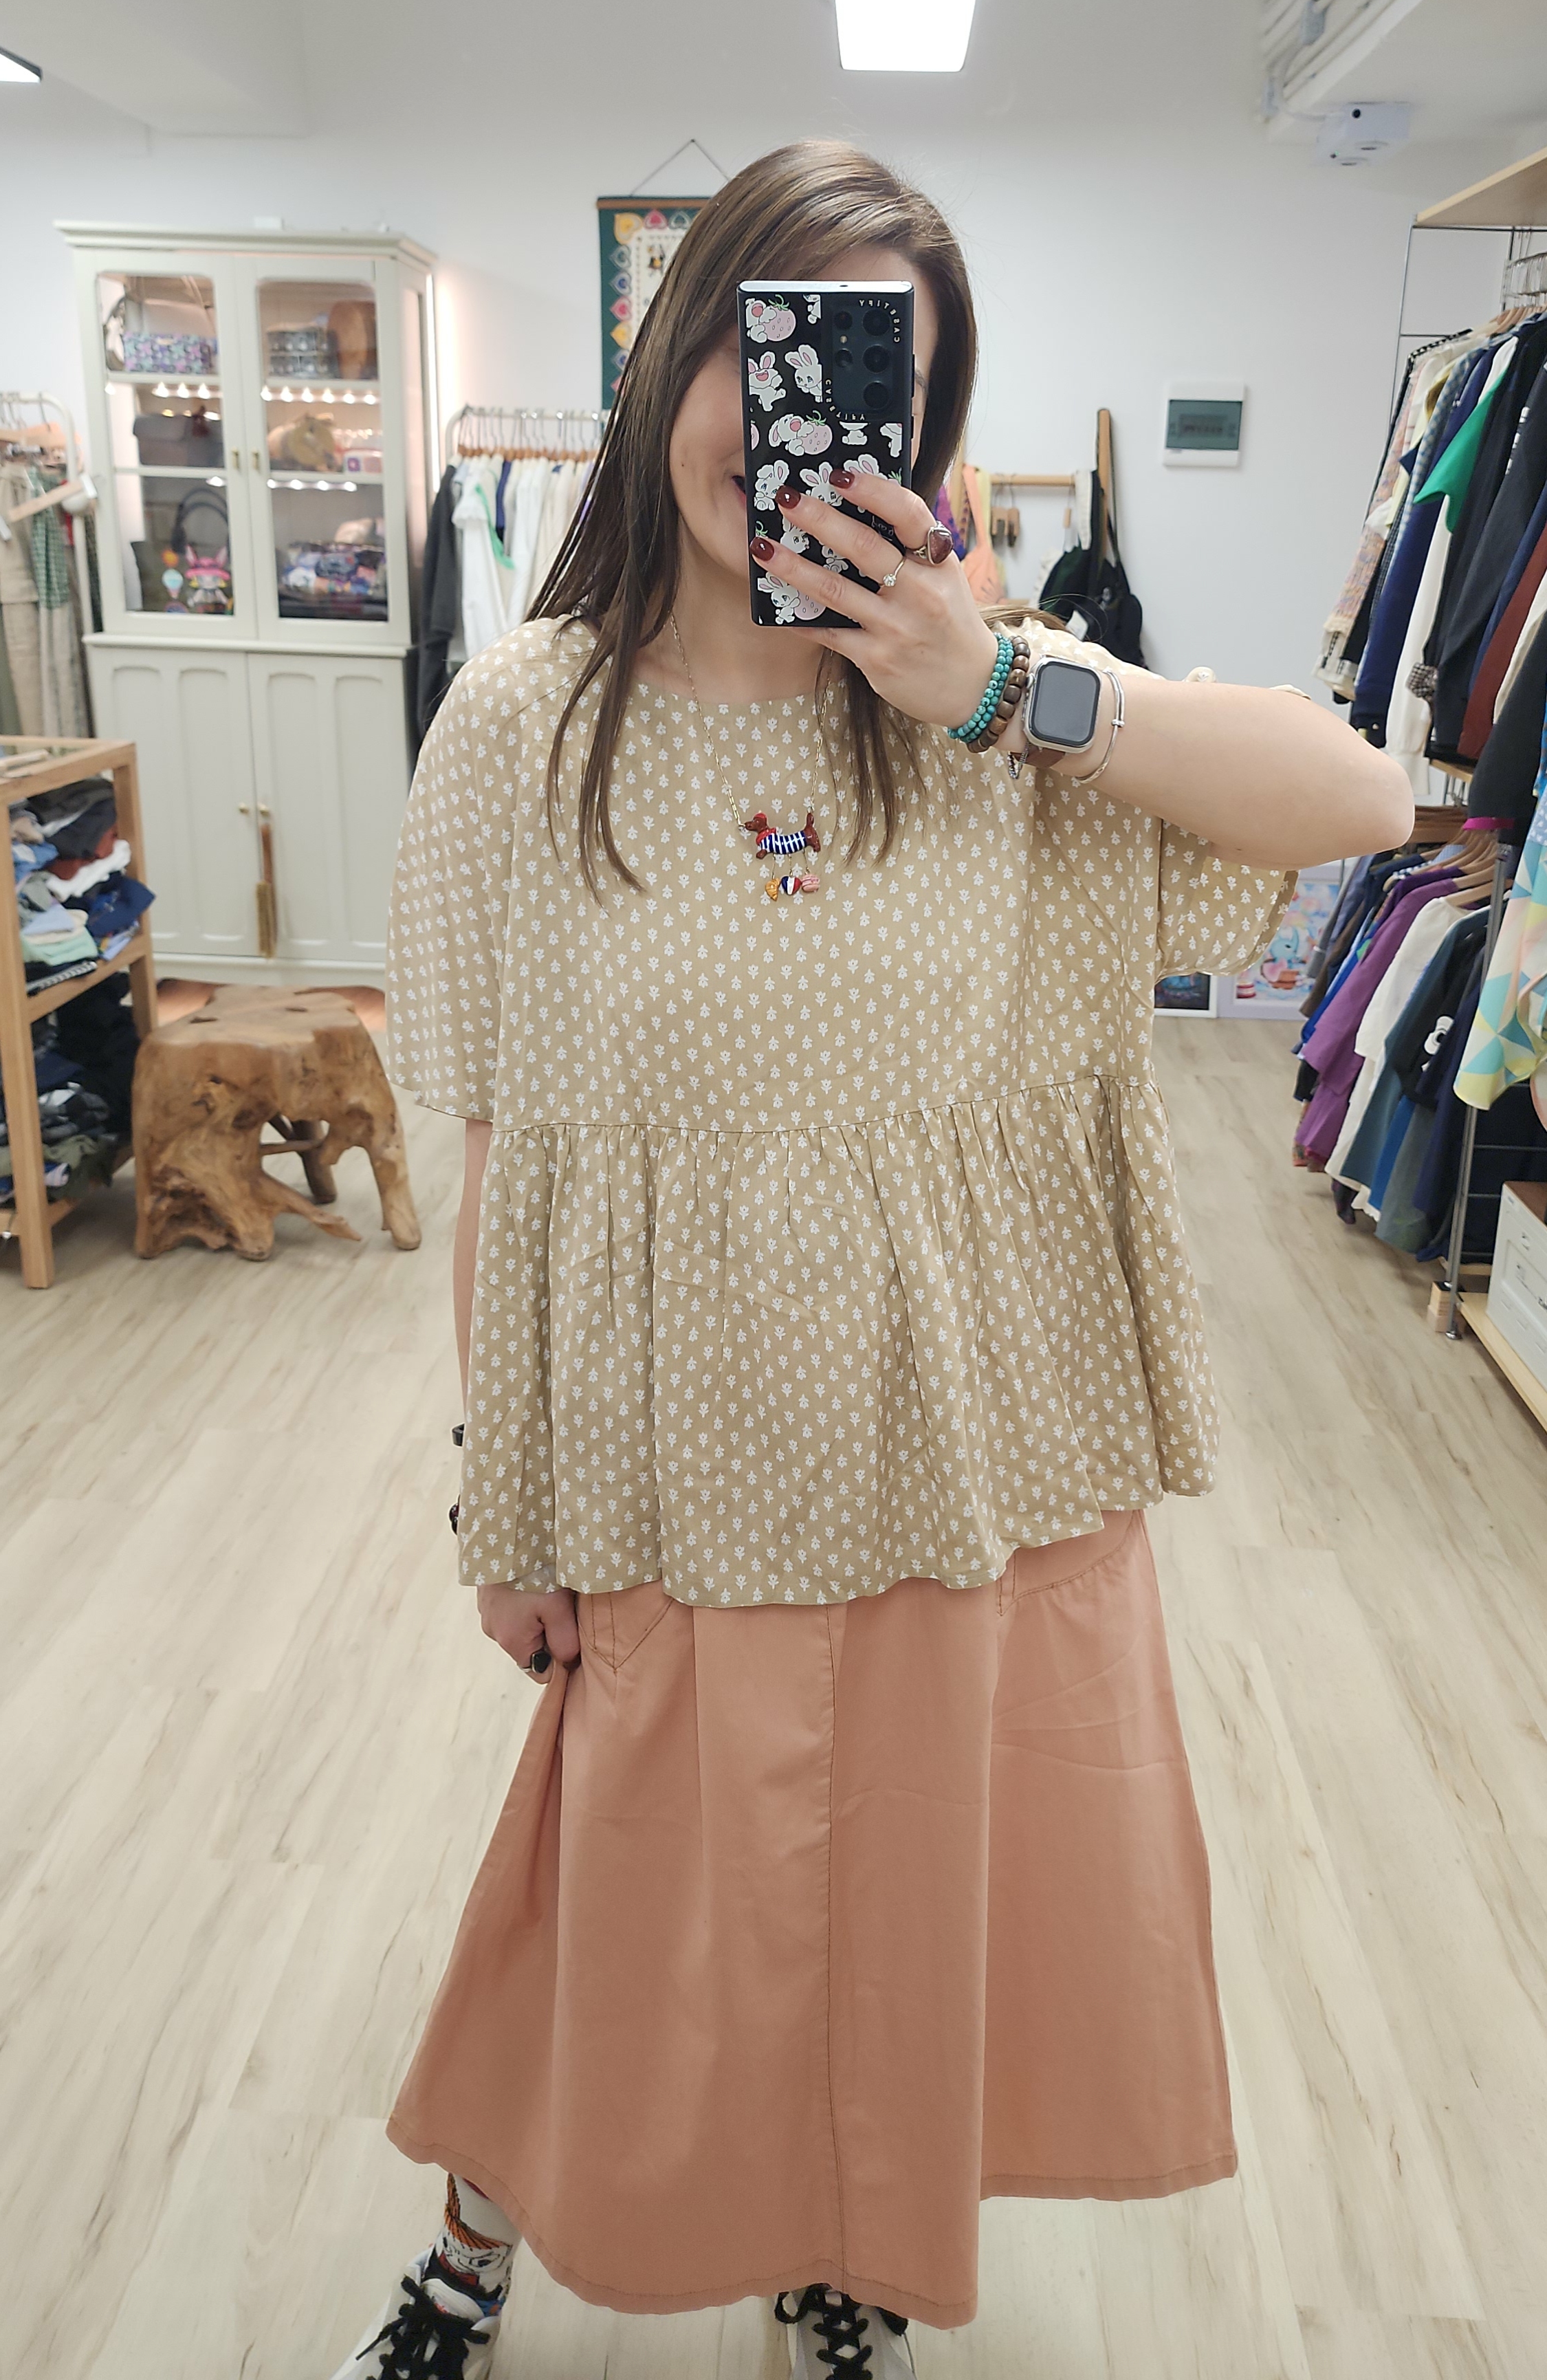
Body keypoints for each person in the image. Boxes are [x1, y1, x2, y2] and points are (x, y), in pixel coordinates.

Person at [335, 142, 1411, 2379]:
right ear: (673, 355)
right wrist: (495, 1501)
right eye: (764, 347)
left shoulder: (996, 709)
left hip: (977, 1450)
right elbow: (508, 1149)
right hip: (671, 1462)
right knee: (622, 1902)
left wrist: (1001, 682)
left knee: (906, 1909)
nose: (795, 417)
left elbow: (1361, 804)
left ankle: (844, 2247)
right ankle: (470, 2255)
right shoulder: (526, 726)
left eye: (866, 382)